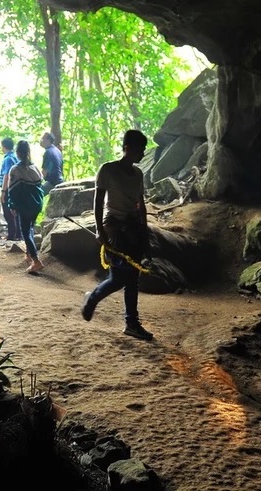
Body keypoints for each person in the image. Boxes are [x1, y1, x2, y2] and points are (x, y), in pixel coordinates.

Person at [80, 130, 153, 341]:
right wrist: (100, 230)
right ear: (128, 147)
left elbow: (141, 205)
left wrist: (145, 232)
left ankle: (131, 322)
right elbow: (98, 201)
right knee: (121, 276)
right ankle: (94, 297)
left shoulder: (138, 174)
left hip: (133, 228)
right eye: (141, 149)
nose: (143, 153)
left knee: (131, 278)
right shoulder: (108, 170)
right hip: (115, 228)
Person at [3, 140, 45, 273]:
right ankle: (28, 254)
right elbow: (40, 185)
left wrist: (12, 206)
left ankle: (36, 261)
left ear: (18, 153)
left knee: (25, 231)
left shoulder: (15, 170)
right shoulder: (35, 168)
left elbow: (13, 190)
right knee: (30, 228)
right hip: (36, 203)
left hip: (25, 205)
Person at [0, 137, 21, 241]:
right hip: (15, 188)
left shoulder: (8, 159)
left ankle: (12, 234)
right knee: (15, 212)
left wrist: (3, 191)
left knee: (8, 212)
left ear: (4, 146)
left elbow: (7, 175)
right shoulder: (15, 157)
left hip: (8, 188)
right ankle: (16, 234)